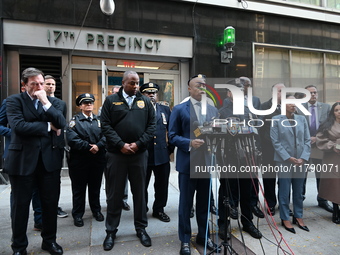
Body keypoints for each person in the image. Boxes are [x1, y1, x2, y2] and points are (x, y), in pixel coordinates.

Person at [4, 67, 65, 255]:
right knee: (20, 207)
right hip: (23, 161)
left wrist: (45, 101)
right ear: (24, 86)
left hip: (49, 162)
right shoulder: (13, 101)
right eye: (34, 84)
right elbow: (19, 126)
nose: (39, 87)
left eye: (41, 83)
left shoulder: (55, 102)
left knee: (49, 204)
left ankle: (49, 241)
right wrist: (48, 125)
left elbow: (61, 123)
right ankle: (19, 247)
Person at [100, 70, 156, 251]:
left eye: (137, 82)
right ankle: (111, 231)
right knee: (114, 194)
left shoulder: (145, 101)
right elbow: (105, 125)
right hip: (116, 155)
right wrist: (120, 144)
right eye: (132, 83)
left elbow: (151, 126)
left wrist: (138, 144)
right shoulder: (111, 101)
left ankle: (141, 229)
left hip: (139, 155)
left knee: (139, 193)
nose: (135, 86)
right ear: (123, 83)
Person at [168, 74, 221, 255]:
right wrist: (189, 143)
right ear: (189, 89)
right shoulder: (180, 109)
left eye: (204, 86)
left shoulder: (213, 111)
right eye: (198, 85)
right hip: (188, 164)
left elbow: (217, 134)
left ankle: (203, 236)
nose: (202, 89)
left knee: (204, 204)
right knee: (185, 204)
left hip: (206, 163)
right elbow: (172, 136)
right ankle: (184, 239)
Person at [218, 82, 263, 240]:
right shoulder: (222, 112)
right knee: (226, 193)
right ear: (228, 94)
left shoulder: (247, 112)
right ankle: (223, 224)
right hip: (228, 159)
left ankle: (248, 222)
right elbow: (218, 137)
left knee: (246, 192)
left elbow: (255, 133)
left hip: (246, 159)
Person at [270, 95, 311, 234]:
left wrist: (303, 158)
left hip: (300, 161)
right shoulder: (276, 120)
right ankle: (285, 217)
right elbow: (275, 142)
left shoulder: (301, 119)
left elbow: (307, 140)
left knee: (299, 190)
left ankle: (298, 216)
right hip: (284, 161)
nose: (294, 105)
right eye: (290, 103)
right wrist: (288, 158)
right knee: (284, 190)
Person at [66, 93, 106, 227]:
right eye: (85, 103)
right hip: (79, 161)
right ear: (80, 106)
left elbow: (106, 136)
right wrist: (89, 147)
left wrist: (98, 146)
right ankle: (77, 214)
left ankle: (96, 210)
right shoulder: (74, 121)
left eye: (90, 102)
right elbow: (72, 139)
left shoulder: (99, 120)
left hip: (97, 160)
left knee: (95, 188)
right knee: (79, 189)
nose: (88, 105)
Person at [140, 82, 174, 222]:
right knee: (142, 186)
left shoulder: (164, 109)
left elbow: (172, 131)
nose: (151, 95)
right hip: (143, 155)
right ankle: (142, 209)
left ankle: (159, 210)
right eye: (148, 92)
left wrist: (169, 150)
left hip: (161, 154)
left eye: (153, 92)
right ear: (142, 95)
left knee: (162, 185)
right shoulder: (137, 110)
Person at [297, 85, 332, 213]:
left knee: (321, 175)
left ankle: (322, 200)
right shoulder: (299, 108)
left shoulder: (326, 107)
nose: (313, 95)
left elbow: (330, 125)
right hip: (304, 147)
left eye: (315, 93)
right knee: (302, 175)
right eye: (310, 93)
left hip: (320, 146)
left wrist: (317, 138)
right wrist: (308, 138)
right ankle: (299, 199)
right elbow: (297, 126)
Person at [44, 75, 69, 218]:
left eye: (53, 84)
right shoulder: (37, 102)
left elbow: (60, 122)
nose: (51, 86)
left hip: (56, 146)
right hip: (42, 144)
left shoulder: (61, 103)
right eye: (48, 84)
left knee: (55, 180)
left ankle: (55, 206)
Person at [259, 83, 286, 215]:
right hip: (268, 148)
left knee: (284, 178)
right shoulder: (264, 107)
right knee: (269, 177)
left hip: (285, 150)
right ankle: (270, 203)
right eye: (280, 91)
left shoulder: (289, 108)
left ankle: (284, 203)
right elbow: (261, 128)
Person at [316, 102, 340, 224]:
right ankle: (336, 210)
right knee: (335, 185)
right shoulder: (327, 125)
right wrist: (334, 145)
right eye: (336, 110)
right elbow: (320, 140)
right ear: (333, 112)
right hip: (333, 157)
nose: (339, 112)